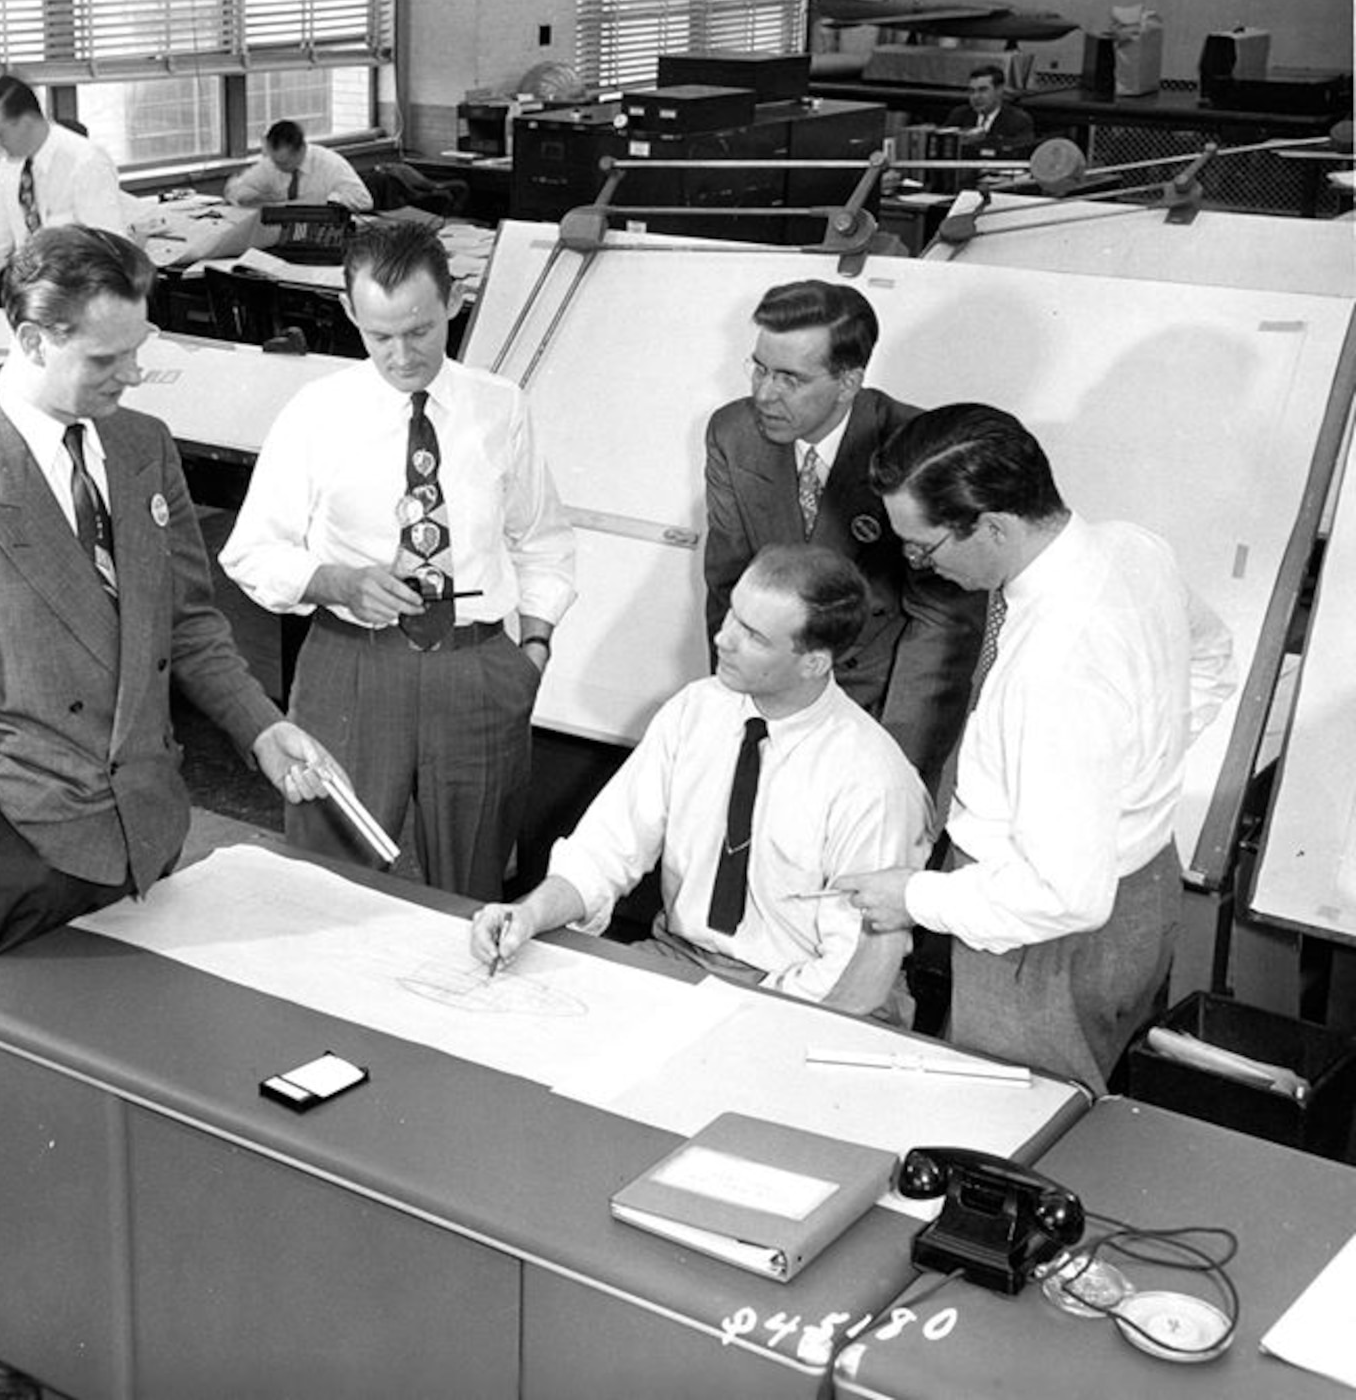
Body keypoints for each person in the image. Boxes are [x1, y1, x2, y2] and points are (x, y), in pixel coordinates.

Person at [0, 225, 340, 965]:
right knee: (25, 1064)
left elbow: (186, 621)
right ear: (31, 340)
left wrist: (260, 726)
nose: (131, 375)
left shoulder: (141, 447)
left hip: (148, 825)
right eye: (105, 359)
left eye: (137, 351)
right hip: (28, 846)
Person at [841, 404, 1236, 1092]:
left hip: (1040, 939)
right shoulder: (1132, 548)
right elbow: (1213, 658)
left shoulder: (1054, 667)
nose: (917, 565)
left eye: (924, 548)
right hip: (1139, 891)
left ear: (993, 525)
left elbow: (1064, 896)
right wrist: (1131, 769)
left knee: (1005, 1137)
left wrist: (915, 898)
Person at [220, 219, 576, 902]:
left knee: (473, 883)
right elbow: (250, 551)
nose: (402, 355)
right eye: (379, 336)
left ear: (454, 301)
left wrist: (533, 647)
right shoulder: (316, 412)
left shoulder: (501, 407)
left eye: (420, 331)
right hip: (349, 665)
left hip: (476, 670)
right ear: (350, 311)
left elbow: (544, 539)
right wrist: (334, 581)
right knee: (328, 876)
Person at [468, 545, 930, 1017]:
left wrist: (732, 1020)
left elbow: (853, 975)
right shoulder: (696, 709)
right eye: (732, 615)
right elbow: (604, 852)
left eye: (753, 635)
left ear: (814, 663)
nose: (723, 639)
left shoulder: (873, 780)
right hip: (681, 958)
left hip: (808, 993)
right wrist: (528, 914)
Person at [704, 280, 984, 794]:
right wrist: (736, 705)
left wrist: (898, 772)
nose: (764, 394)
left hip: (877, 707)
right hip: (774, 694)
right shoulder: (732, 434)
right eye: (760, 368)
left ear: (849, 382)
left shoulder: (918, 449)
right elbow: (729, 583)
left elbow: (942, 629)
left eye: (790, 378)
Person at [0, 74, 125, 303]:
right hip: (37, 298)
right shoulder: (11, 165)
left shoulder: (86, 161)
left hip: (85, 300)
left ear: (26, 122)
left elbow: (108, 250)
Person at [224, 119, 375, 211]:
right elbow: (234, 189)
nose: (279, 167)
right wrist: (253, 197)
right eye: (275, 161)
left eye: (285, 162)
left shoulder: (330, 164)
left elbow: (364, 201)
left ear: (302, 148)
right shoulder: (271, 165)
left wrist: (324, 203)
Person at [945, 65, 1037, 159]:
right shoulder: (959, 115)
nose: (976, 97)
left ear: (999, 90)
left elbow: (1020, 154)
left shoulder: (1019, 120)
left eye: (983, 90)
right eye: (972, 91)